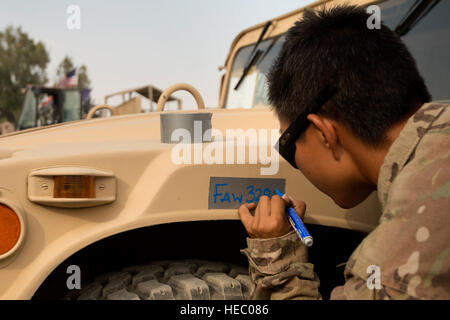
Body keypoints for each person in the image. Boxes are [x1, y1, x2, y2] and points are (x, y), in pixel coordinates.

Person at [238, 5, 449, 300]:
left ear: (325, 135)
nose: (292, 158)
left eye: (288, 146)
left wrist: (279, 265)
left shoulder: (395, 264)